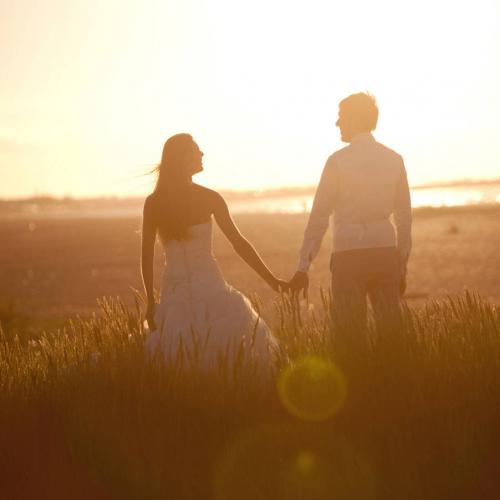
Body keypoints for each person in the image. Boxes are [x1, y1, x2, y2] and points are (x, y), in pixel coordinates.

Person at [141, 133, 284, 372]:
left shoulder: (154, 201)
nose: (202, 154)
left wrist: (150, 302)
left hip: (175, 291)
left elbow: (146, 256)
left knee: (179, 352)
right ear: (183, 158)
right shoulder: (209, 198)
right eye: (196, 150)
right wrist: (272, 280)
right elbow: (239, 244)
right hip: (209, 287)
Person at [289, 92, 412, 327]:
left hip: (348, 253)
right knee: (391, 332)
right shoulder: (394, 159)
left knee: (349, 332)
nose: (337, 123)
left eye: (341, 116)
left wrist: (303, 267)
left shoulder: (337, 161)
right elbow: (405, 218)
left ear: (355, 119)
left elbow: (319, 217)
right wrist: (401, 265)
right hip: (385, 252)